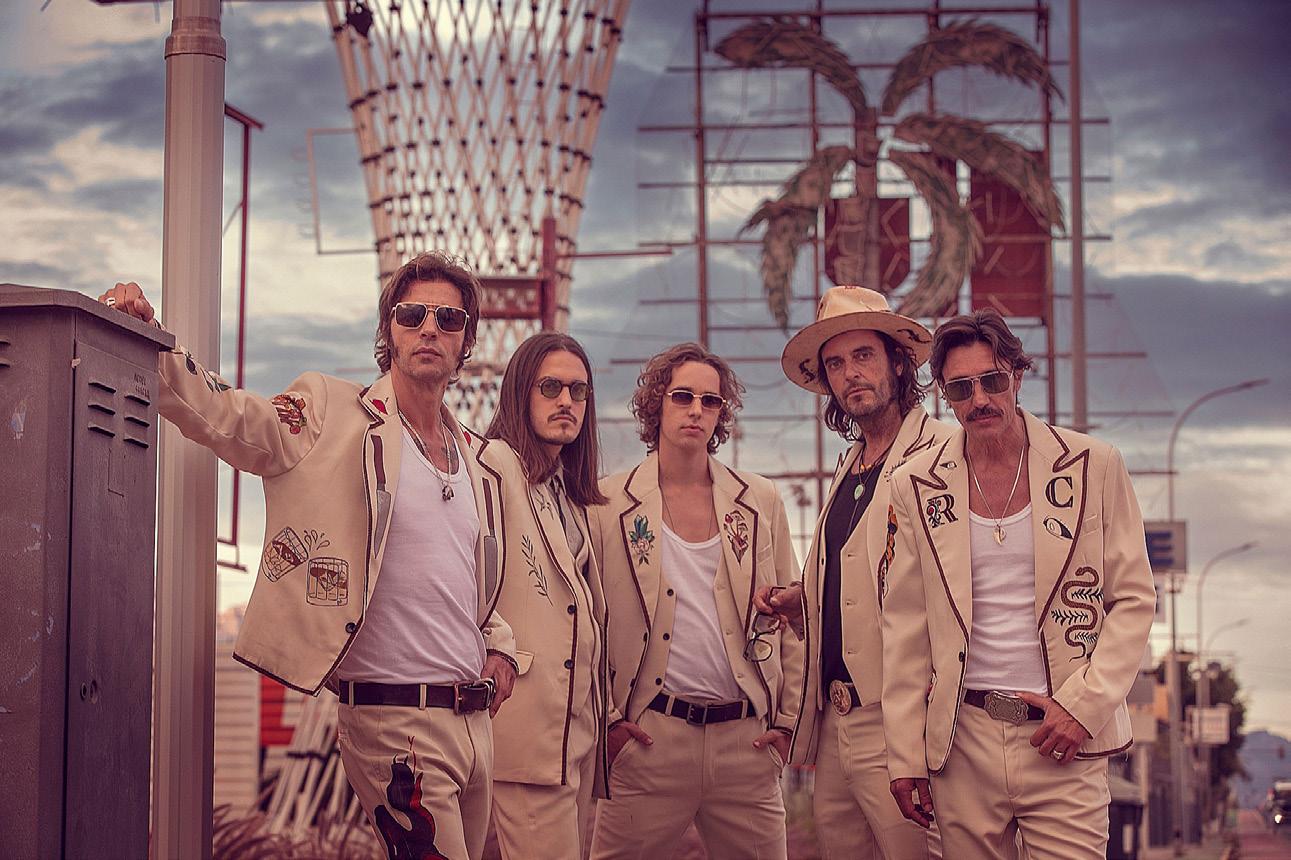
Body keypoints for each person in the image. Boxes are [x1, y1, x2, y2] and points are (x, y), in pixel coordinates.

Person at [99, 251, 518, 860]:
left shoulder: (476, 460)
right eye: (412, 315)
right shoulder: (332, 413)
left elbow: (465, 582)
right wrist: (148, 342)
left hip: (474, 724)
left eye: (448, 319)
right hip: (397, 726)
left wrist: (501, 646)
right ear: (389, 332)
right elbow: (233, 417)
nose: (430, 328)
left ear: (466, 342)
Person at [881, 309, 1156, 859]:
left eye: (992, 380)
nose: (979, 399)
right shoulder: (916, 484)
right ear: (945, 396)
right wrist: (905, 755)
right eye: (961, 388)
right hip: (963, 739)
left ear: (1018, 375)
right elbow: (905, 627)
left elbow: (1132, 598)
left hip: (1062, 734)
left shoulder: (1093, 465)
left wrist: (1083, 706)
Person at [587, 343, 803, 860]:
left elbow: (795, 619)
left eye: (711, 401)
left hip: (745, 745)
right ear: (656, 404)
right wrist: (610, 721)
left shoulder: (758, 500)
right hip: (649, 741)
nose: (696, 410)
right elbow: (589, 622)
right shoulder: (608, 504)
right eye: (683, 396)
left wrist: (788, 723)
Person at [755, 285, 950, 859]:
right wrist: (805, 602)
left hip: (903, 720)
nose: (850, 374)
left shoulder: (943, 455)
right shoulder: (851, 466)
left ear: (898, 361)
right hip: (836, 720)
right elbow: (863, 578)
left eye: (863, 355)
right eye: (836, 364)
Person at [480, 331, 609, 859]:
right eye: (550, 387)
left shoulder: (566, 491)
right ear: (520, 393)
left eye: (578, 391)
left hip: (574, 732)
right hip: (526, 724)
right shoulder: (493, 465)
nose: (566, 402)